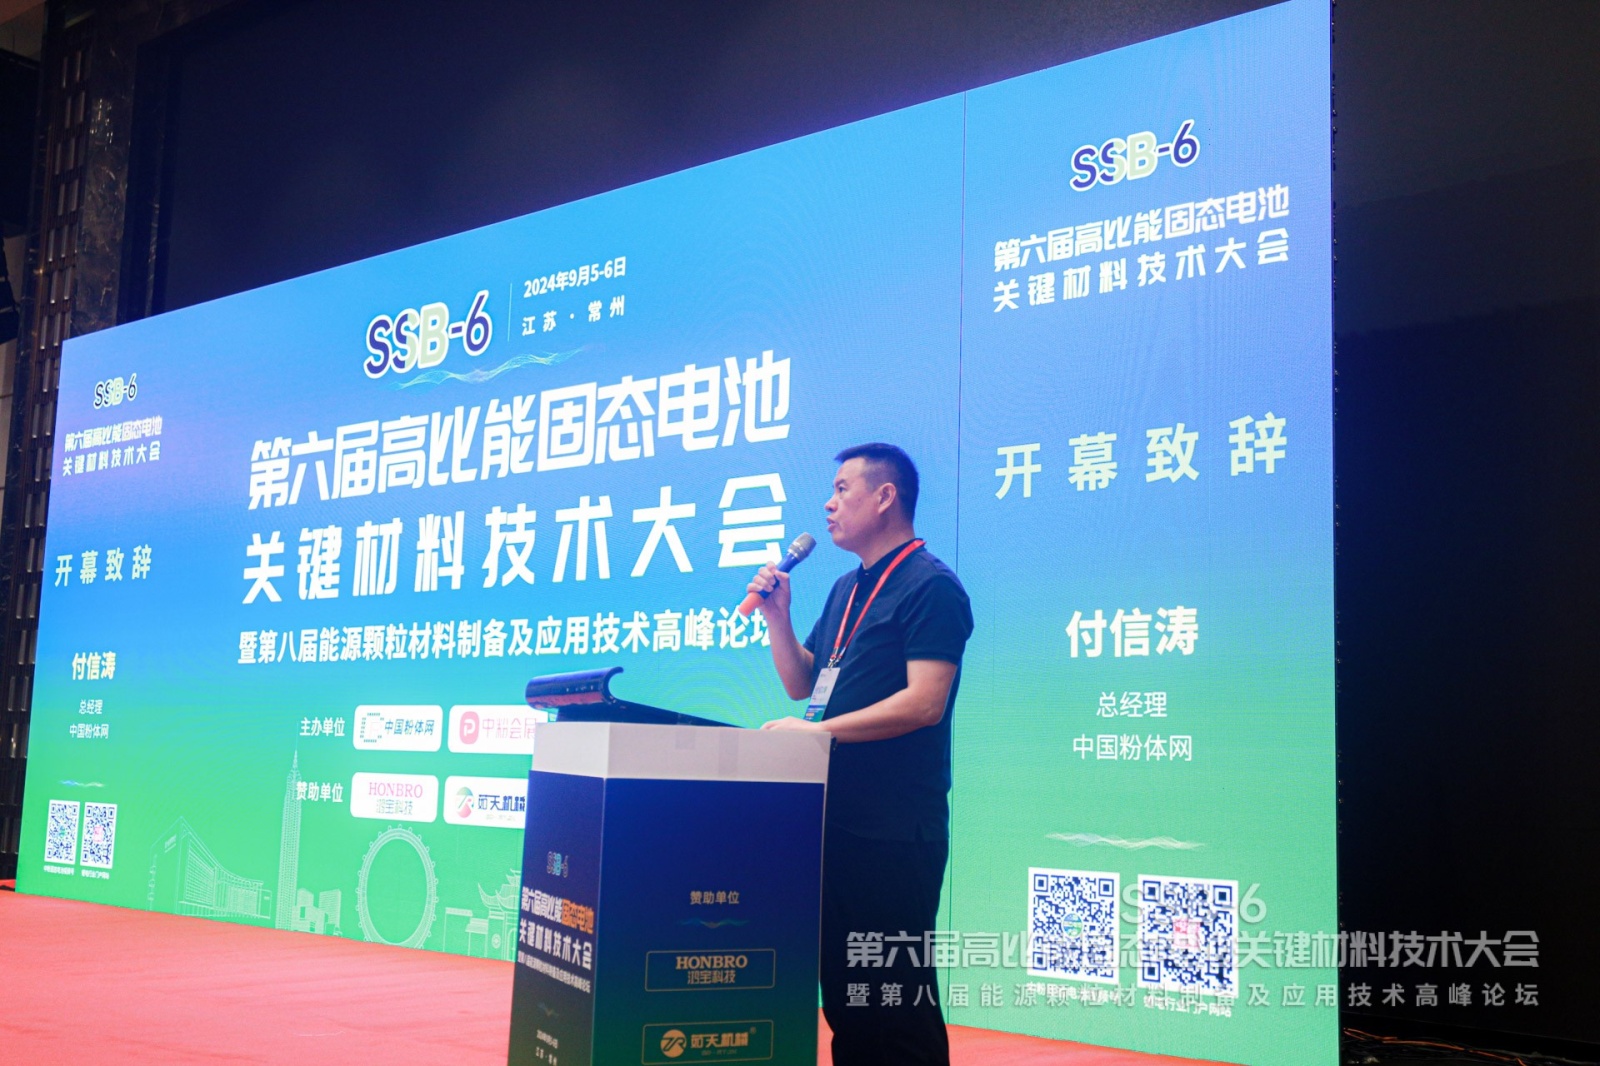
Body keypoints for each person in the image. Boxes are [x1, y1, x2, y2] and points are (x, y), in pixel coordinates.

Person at [751, 442, 973, 1066]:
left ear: (885, 497)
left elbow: (925, 702)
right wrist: (777, 617)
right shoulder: (847, 589)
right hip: (834, 823)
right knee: (849, 1001)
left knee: (894, 1004)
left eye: (842, 489)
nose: (828, 503)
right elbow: (803, 684)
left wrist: (817, 734)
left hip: (894, 833)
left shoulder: (931, 586)